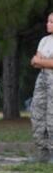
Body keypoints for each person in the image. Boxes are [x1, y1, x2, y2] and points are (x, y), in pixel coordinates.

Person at [30, 12, 53, 163]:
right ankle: (43, 152)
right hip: (42, 78)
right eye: (48, 21)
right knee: (38, 113)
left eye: (51, 22)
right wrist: (46, 61)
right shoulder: (44, 40)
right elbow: (34, 61)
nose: (48, 24)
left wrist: (42, 61)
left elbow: (41, 61)